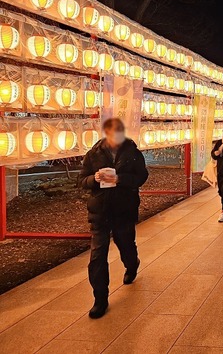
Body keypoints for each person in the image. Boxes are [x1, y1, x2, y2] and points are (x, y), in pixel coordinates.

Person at [77, 118, 149, 319]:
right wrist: (95, 179)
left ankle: (132, 264)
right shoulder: (94, 154)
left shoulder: (133, 153)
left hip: (123, 208)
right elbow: (81, 180)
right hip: (100, 210)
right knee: (98, 255)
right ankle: (100, 299)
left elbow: (142, 177)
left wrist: (120, 179)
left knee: (125, 243)